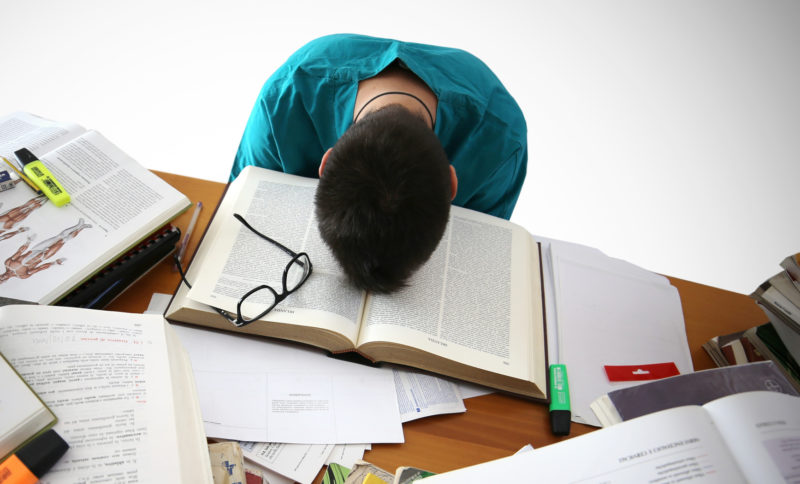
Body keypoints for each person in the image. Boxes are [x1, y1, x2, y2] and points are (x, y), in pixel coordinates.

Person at [231, 34, 527, 293]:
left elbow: (477, 257)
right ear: (451, 183)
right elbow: (237, 217)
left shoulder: (502, 143)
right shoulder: (284, 99)